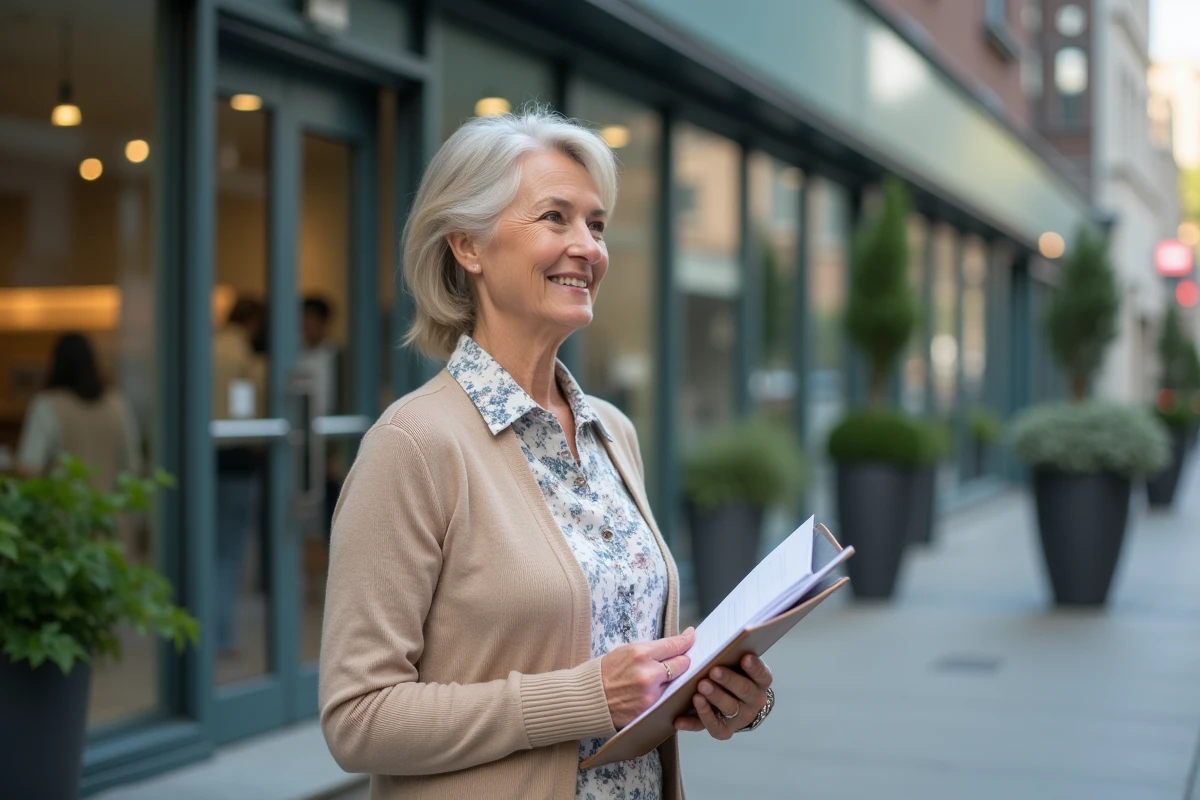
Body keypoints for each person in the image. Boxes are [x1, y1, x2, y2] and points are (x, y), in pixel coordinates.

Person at [319, 109, 775, 799]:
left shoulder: (613, 433)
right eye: (554, 218)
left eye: (595, 225)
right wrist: (584, 697)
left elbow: (619, 660)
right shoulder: (412, 447)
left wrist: (721, 695)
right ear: (468, 246)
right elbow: (358, 719)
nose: (587, 247)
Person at [17, 333, 143, 553]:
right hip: (111, 529)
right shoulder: (118, 406)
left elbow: (29, 469)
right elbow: (133, 469)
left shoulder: (46, 406)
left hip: (61, 531)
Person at [212, 297, 266, 657]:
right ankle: (221, 636)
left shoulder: (206, 347)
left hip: (201, 459)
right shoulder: (244, 357)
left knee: (206, 550)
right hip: (236, 459)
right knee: (228, 553)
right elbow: (246, 408)